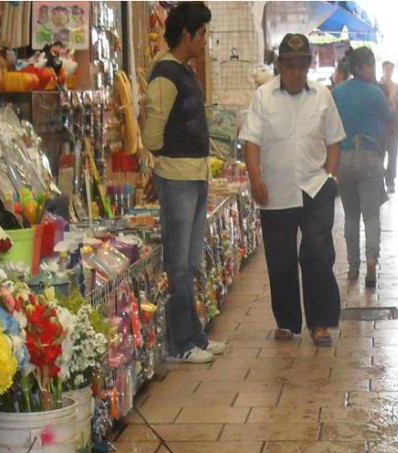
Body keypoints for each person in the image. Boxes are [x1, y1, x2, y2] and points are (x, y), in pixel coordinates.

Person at [240, 33, 344, 347]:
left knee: (316, 253)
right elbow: (251, 142)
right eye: (289, 65)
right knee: (281, 260)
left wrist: (331, 178)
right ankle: (286, 321)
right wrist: (256, 178)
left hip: (315, 188)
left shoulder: (323, 96)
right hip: (275, 192)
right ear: (280, 66)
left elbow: (334, 140)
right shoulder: (263, 96)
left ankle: (320, 322)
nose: (296, 72)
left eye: (301, 65)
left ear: (309, 65)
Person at [142, 2, 225, 363]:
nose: (205, 40)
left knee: (189, 262)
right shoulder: (165, 74)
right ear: (187, 34)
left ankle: (194, 336)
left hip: (195, 176)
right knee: (177, 264)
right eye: (203, 33)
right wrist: (168, 160)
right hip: (177, 180)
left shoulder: (184, 71)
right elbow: (152, 137)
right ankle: (180, 346)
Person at [332, 46, 392, 289]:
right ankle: (371, 261)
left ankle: (353, 266)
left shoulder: (337, 92)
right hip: (370, 155)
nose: (373, 70)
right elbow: (390, 121)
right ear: (360, 68)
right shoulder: (375, 92)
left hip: (344, 158)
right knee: (371, 214)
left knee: (351, 215)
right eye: (370, 65)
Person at [379, 60, 398, 193]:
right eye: (387, 69)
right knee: (380, 153)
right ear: (383, 70)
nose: (389, 72)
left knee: (393, 154)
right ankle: (380, 178)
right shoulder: (377, 86)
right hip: (381, 126)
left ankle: (390, 181)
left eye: (391, 69)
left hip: (394, 126)